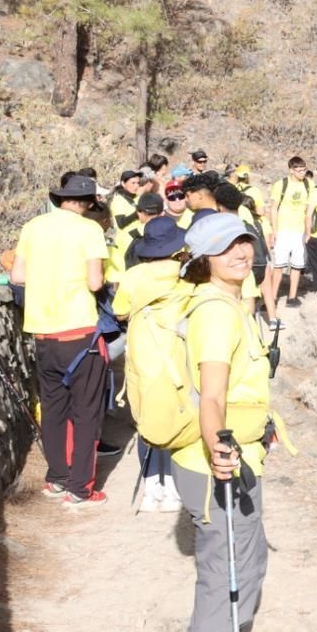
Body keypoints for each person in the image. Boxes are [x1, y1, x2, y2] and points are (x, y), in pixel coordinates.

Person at [161, 214, 280, 632]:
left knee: (246, 572)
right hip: (216, 465)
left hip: (234, 458)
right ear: (204, 258)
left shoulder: (231, 304)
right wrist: (219, 450)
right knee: (225, 587)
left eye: (244, 241)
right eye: (226, 246)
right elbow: (210, 396)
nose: (240, 252)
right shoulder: (214, 310)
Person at [11, 174, 111, 506]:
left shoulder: (33, 227)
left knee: (53, 409)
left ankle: (56, 478)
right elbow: (95, 282)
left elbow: (18, 276)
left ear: (61, 199)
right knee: (85, 412)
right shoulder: (90, 230)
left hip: (43, 331)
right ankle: (81, 488)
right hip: (80, 332)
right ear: (90, 203)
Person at [111, 214, 189, 513]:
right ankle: (172, 488)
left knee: (144, 418)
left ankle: (150, 487)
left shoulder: (134, 275)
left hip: (143, 349)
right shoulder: (184, 274)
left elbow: (119, 312)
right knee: (174, 415)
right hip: (174, 350)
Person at [215, 183, 280, 327]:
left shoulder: (224, 227)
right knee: (256, 301)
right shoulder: (249, 221)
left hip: (242, 272)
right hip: (260, 262)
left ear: (219, 206)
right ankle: (271, 321)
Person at [267, 158, 311, 306]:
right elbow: (273, 208)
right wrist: (274, 230)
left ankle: (291, 297)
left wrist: (309, 231)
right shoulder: (281, 185)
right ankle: (272, 297)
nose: (302, 173)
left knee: (297, 266)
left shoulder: (309, 184)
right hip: (283, 230)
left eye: (304, 169)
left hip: (300, 231)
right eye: (299, 170)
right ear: (291, 170)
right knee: (279, 266)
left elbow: (310, 209)